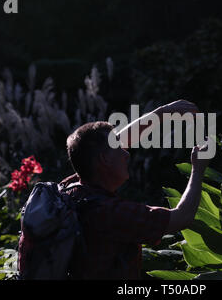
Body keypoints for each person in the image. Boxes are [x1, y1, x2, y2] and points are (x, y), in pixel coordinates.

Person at [59, 100, 211, 279]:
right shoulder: (112, 213)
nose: (127, 153)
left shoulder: (69, 189)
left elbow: (115, 144)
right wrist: (198, 169)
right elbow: (181, 217)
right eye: (119, 149)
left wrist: (162, 113)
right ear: (104, 160)